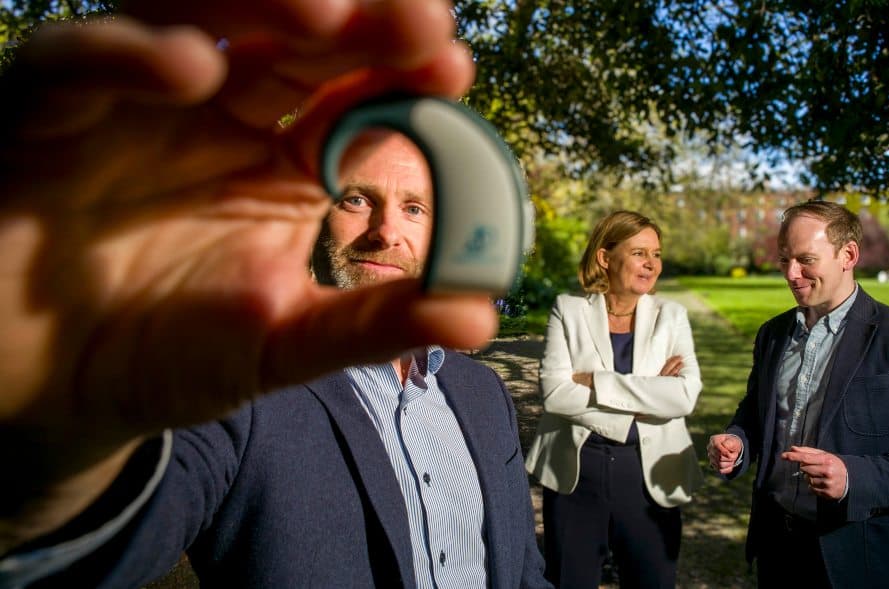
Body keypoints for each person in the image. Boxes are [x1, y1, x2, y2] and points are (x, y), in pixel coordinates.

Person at [0, 0, 544, 587]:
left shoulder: (485, 396)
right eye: (355, 199)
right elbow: (87, 556)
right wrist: (45, 454)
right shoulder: (234, 394)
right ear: (313, 216)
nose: (386, 231)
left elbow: (524, 573)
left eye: (414, 208)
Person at [707, 200, 889, 588]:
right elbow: (756, 413)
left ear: (848, 254)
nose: (791, 274)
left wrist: (852, 476)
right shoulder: (772, 334)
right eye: (784, 260)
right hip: (778, 548)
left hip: (864, 558)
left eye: (805, 259)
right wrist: (738, 442)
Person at [525, 210, 703, 588]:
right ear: (606, 257)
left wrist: (597, 382)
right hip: (576, 475)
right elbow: (556, 395)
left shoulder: (672, 317)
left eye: (656, 254)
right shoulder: (568, 310)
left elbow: (684, 396)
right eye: (640, 253)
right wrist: (648, 393)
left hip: (650, 476)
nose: (651, 264)